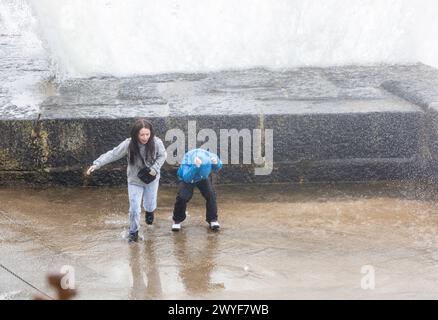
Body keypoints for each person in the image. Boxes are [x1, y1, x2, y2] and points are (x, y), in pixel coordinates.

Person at [86, 119, 167, 243]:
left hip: (152, 179)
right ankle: (133, 232)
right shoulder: (129, 144)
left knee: (150, 204)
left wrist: (155, 168)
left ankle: (150, 212)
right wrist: (97, 164)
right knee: (134, 209)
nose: (145, 137)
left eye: (147, 134)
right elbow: (113, 154)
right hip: (134, 180)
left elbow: (163, 155)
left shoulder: (157, 142)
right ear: (136, 134)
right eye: (142, 135)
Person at [172, 148, 223, 231]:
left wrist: (216, 163)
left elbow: (218, 167)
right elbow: (187, 178)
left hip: (202, 177)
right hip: (188, 176)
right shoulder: (187, 160)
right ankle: (177, 220)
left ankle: (213, 219)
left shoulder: (211, 156)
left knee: (211, 195)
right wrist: (195, 167)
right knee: (182, 197)